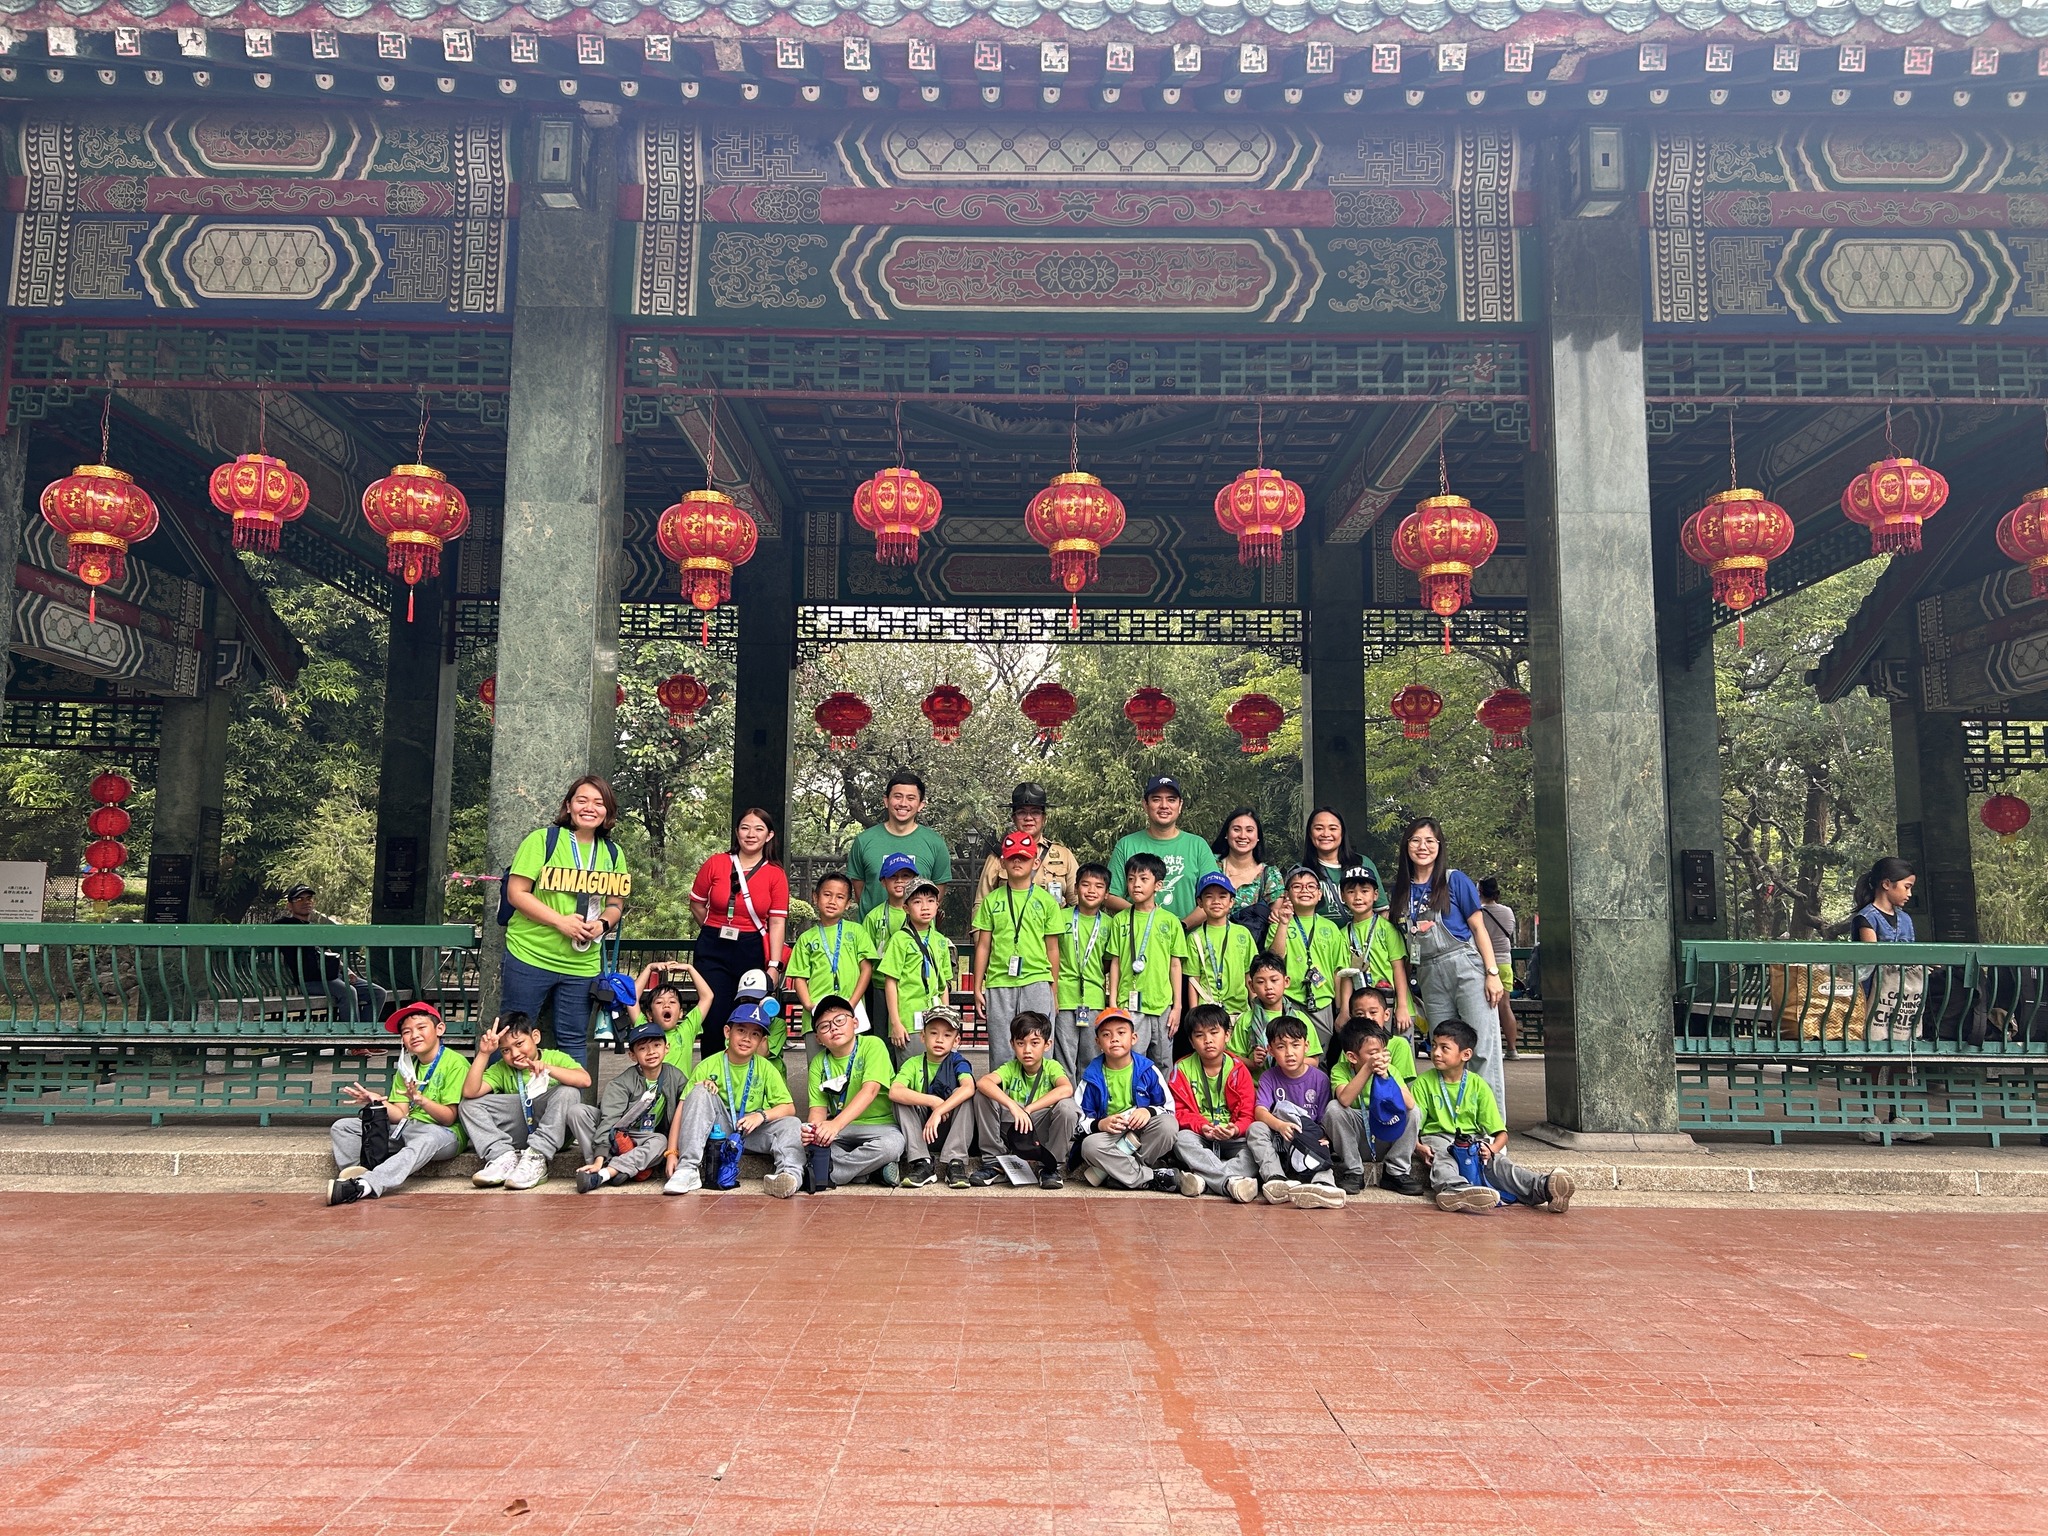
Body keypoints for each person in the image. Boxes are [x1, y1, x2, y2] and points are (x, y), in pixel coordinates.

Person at [501, 775, 630, 1064]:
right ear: (568, 805)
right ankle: (504, 1094)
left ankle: (571, 1095)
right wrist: (560, 922)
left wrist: (602, 925)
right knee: (512, 1036)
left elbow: (615, 905)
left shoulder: (613, 853)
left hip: (582, 964)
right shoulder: (542, 840)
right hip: (530, 955)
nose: (590, 808)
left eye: (599, 803)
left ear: (608, 811)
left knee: (573, 1040)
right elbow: (516, 893)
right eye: (582, 800)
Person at [1390, 818, 1508, 1110]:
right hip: (1429, 974)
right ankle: (1453, 1121)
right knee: (1443, 1051)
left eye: (1430, 841)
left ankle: (1492, 1128)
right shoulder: (1402, 890)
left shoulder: (1454, 879)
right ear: (1406, 845)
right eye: (1416, 840)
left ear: (1439, 845)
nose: (1423, 847)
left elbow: (1478, 928)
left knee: (1481, 1048)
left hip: (1465, 966)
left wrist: (1492, 973)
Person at [1415, 1019, 1573, 1215]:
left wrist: (1492, 1149)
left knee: (1501, 1165)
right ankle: (1456, 1191)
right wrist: (1418, 1147)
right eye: (1434, 1046)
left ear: (1466, 1054)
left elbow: (1501, 1134)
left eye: (1444, 1048)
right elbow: (1412, 1126)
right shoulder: (1423, 1082)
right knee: (1444, 1160)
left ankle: (1545, 1187)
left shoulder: (1478, 1085)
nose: (1436, 1052)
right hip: (1437, 1137)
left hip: (1472, 1141)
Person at [326, 1002, 468, 1207]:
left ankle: (367, 1184)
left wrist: (421, 1100)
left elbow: (448, 1118)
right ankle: (357, 1175)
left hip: (442, 1133)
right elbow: (401, 1114)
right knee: (342, 1127)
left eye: (421, 1027)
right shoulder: (406, 1067)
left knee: (426, 1139)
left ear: (439, 1029)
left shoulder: (456, 1063)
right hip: (407, 1127)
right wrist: (378, 1101)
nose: (414, 1035)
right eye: (406, 1032)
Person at [664, 999, 803, 1198]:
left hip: (750, 1130)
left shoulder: (766, 1067)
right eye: (741, 1031)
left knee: (792, 1123)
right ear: (727, 1032)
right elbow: (682, 1109)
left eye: (755, 1034)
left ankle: (789, 1176)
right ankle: (688, 1168)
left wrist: (761, 1116)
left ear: (762, 1041)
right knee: (700, 1090)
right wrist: (672, 1152)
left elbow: (789, 1107)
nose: (747, 1038)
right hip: (718, 1130)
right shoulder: (708, 1065)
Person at [686, 806, 788, 1061]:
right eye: (745, 828)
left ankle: (744, 1076)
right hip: (714, 947)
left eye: (759, 829)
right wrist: (713, 927)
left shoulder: (775, 874)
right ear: (736, 832)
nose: (751, 834)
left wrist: (774, 966)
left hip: (751, 948)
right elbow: (697, 903)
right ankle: (712, 1074)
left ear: (769, 835)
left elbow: (777, 922)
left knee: (748, 1019)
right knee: (713, 1017)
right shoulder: (716, 863)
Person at [458, 1012, 596, 1192]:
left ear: (535, 1037)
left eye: (519, 1044)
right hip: (519, 1132)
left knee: (569, 1091)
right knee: (468, 1104)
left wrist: (548, 1069)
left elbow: (585, 1080)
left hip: (555, 1134)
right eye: (505, 1050)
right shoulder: (501, 1068)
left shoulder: (555, 1057)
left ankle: (537, 1157)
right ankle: (502, 1158)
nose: (515, 1054)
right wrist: (484, 1053)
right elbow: (470, 1092)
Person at [1850, 856, 1932, 1144]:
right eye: (1906, 887)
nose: (1909, 893)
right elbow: (1873, 955)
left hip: (1903, 995)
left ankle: (1899, 1116)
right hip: (1874, 995)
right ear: (1886, 884)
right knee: (1874, 1055)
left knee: (1901, 1055)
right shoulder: (1866, 918)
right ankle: (1869, 1117)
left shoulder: (1906, 919)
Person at [971, 831, 1063, 1072]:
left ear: (1036, 862)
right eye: (1012, 858)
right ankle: (1002, 1095)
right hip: (1000, 981)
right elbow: (983, 945)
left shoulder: (1046, 901)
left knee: (1038, 1044)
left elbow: (1052, 948)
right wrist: (978, 986)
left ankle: (1039, 1094)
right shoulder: (992, 900)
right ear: (1002, 863)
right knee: (1002, 1047)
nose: (1017, 862)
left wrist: (1053, 990)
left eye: (1024, 858)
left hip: (1037, 980)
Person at [802, 994, 907, 1189]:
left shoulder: (873, 1045)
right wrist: (813, 1131)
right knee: (805, 1144)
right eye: (824, 1026)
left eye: (840, 1020)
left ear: (855, 1023)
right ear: (818, 1038)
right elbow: (817, 1109)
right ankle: (872, 1172)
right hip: (842, 1130)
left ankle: (832, 1173)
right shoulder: (818, 1063)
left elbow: (870, 1091)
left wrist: (835, 1125)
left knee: (893, 1145)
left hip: (880, 1126)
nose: (834, 1028)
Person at [1246, 1015, 1347, 1210]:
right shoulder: (1268, 1077)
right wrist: (1280, 1125)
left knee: (1320, 1140)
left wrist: (1325, 1136)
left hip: (1308, 1139)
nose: (1289, 1053)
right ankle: (1276, 1179)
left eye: (1295, 1045)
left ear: (1306, 1046)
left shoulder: (1320, 1079)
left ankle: (1324, 1184)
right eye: (1281, 1047)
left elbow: (1324, 1119)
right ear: (1270, 1050)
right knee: (1256, 1128)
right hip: (1280, 1137)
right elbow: (1260, 1111)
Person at [576, 1019, 689, 1192]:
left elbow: (689, 1098)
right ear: (632, 1055)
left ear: (667, 1048)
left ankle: (607, 1172)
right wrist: (599, 1156)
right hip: (618, 1132)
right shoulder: (621, 1083)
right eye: (642, 1048)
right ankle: (598, 1165)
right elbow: (609, 1120)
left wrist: (704, 1084)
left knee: (661, 1141)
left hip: (644, 1137)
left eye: (657, 1045)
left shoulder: (675, 1076)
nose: (651, 1052)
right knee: (577, 1111)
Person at [1074, 1009, 1179, 1192]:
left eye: (1121, 1033)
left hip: (1141, 1131)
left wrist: (1148, 1111)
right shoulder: (1092, 1076)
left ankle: (1120, 1174)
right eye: (1106, 1035)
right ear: (1098, 1042)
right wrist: (1100, 1124)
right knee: (1089, 1146)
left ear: (1134, 1038)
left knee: (1168, 1126)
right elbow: (1079, 1123)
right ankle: (1149, 1177)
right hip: (1110, 1135)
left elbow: (1168, 1109)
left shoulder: (1147, 1070)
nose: (1114, 1039)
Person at [973, 1010, 1078, 1190]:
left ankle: (1051, 1167)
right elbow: (983, 1082)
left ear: (1047, 1045)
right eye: (1021, 1043)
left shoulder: (1052, 1067)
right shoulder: (1011, 1067)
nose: (1027, 1050)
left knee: (1068, 1107)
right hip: (1013, 1127)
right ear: (1012, 1044)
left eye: (1034, 1043)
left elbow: (1066, 1088)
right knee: (982, 1094)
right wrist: (1013, 1106)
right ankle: (993, 1161)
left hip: (1039, 1128)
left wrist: (1028, 1109)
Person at [1167, 1003, 1259, 1203]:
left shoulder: (1238, 1069)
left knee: (1256, 1149)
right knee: (1181, 1140)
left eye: (1214, 1032)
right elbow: (1178, 1112)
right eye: (1199, 1035)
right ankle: (1229, 1183)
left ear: (1227, 1035)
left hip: (1232, 1135)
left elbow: (1248, 1114)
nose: (1207, 1040)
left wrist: (1235, 1129)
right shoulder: (1181, 1069)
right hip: (1200, 1134)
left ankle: (1205, 1180)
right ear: (1191, 1041)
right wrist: (1202, 1126)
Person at [1103, 852, 1186, 1070]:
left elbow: (1175, 965)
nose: (1136, 885)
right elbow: (1115, 963)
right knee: (1131, 1059)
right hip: (1128, 1005)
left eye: (1143, 879)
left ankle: (1161, 1094)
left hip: (1162, 1005)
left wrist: (1177, 1006)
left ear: (1158, 885)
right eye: (1131, 879)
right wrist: (1113, 1003)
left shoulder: (1170, 921)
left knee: (1163, 1062)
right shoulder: (1120, 920)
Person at [1325, 1013, 1423, 1196]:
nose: (1379, 1057)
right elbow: (1344, 1099)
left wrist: (1387, 1076)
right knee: (1334, 1109)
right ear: (1352, 1057)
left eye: (1382, 1051)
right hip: (1357, 1139)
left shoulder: (1391, 1070)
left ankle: (1396, 1171)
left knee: (1414, 1112)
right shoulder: (1340, 1069)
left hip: (1385, 1134)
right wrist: (1367, 1069)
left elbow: (1410, 1104)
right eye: (1372, 1053)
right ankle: (1354, 1171)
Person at [888, 1004, 980, 1188]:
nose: (939, 1040)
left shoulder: (958, 1062)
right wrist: (932, 1101)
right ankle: (922, 1162)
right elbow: (894, 1091)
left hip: (951, 1130)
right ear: (923, 1036)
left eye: (947, 1035)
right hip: (921, 1133)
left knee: (964, 1095)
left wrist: (939, 1111)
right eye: (933, 1033)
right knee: (900, 1099)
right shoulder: (913, 1063)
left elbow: (969, 1087)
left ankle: (955, 1162)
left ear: (956, 1040)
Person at [1107, 775, 1219, 922]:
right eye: (1156, 799)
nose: (1164, 805)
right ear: (1145, 804)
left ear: (1180, 805)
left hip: (1188, 934)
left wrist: (1181, 926)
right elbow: (1110, 895)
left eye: (1171, 800)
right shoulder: (1126, 845)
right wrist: (1145, 918)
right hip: (1138, 933)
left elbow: (1214, 897)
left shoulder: (1198, 845)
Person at [277, 883, 390, 1023]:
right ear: (289, 905)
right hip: (310, 981)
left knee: (378, 993)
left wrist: (347, 970)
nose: (306, 902)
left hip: (333, 977)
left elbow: (327, 952)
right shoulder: (284, 925)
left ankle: (365, 1033)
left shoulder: (315, 929)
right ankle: (352, 1035)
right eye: (299, 899)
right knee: (348, 992)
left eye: (309, 898)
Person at [846, 770, 953, 916]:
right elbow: (860, 892)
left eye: (911, 798)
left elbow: (937, 893)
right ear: (886, 801)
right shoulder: (863, 841)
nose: (903, 803)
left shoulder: (935, 843)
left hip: (917, 929)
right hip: (873, 929)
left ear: (921, 804)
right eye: (897, 796)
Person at [785, 871, 877, 1035]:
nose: (832, 901)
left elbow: (866, 969)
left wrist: (852, 1003)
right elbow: (799, 977)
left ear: (848, 903)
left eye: (840, 897)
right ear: (815, 897)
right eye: (827, 895)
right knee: (817, 1051)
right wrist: (809, 1006)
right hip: (816, 1011)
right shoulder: (806, 938)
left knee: (852, 1051)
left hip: (852, 1011)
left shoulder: (857, 931)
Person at [877, 877, 957, 1063]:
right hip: (908, 1022)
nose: (925, 907)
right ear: (906, 908)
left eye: (930, 901)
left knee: (936, 1069)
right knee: (911, 1071)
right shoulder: (899, 940)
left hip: (936, 1020)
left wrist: (947, 1017)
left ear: (937, 905)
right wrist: (895, 1023)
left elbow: (943, 985)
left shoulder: (940, 940)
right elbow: (891, 982)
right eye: (917, 902)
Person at [1266, 865, 1348, 1035]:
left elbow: (1338, 971)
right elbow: (1275, 960)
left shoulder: (1331, 928)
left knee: (1320, 1049)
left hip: (1323, 1001)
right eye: (1297, 886)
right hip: (1288, 999)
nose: (1304, 890)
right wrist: (1283, 923)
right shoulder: (1278, 925)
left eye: (1311, 886)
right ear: (1287, 894)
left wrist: (1340, 1009)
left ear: (1319, 894)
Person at [972, 782, 1081, 907]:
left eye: (1035, 812)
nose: (1028, 818)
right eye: (1022, 812)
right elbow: (981, 904)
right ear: (1013, 818)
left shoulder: (1063, 855)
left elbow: (1078, 904)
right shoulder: (998, 856)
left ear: (1044, 818)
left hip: (1054, 919)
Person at [1334, 867, 1412, 1029]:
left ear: (1375, 895)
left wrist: (1402, 1006)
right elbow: (1347, 975)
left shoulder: (1387, 928)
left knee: (1398, 1044)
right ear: (1342, 896)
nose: (1358, 897)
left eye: (1364, 891)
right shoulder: (1343, 934)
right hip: (1363, 1011)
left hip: (1393, 1006)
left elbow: (1398, 968)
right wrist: (1344, 1011)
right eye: (1351, 892)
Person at [1054, 863, 1114, 1073]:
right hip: (1064, 998)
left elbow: (1108, 962)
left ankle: (1088, 1095)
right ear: (1076, 888)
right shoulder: (1060, 917)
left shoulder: (1110, 924)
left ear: (1106, 894)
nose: (1091, 890)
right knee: (1064, 1059)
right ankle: (1066, 1095)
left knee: (1092, 1058)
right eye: (1086, 884)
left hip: (1094, 999)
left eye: (1099, 886)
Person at [1185, 872, 1258, 1028]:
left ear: (1231, 902)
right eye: (1209, 896)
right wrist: (1194, 1017)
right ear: (1200, 902)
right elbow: (1193, 980)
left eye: (1222, 896)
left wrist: (1257, 1012)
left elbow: (1250, 976)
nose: (1216, 901)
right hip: (1207, 1015)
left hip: (1240, 1013)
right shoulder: (1195, 938)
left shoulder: (1243, 934)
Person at [1209, 807, 1287, 939]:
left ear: (1258, 837)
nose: (1242, 836)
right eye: (1236, 829)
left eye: (1249, 830)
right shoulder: (1210, 865)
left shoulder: (1269, 875)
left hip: (1251, 948)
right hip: (1209, 943)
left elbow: (1275, 922)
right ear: (1226, 834)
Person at [1300, 807, 1382, 922]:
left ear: (1342, 833)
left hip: (1360, 933)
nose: (1326, 834)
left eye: (1333, 828)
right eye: (1318, 828)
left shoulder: (1363, 863)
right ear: (1310, 833)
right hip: (1316, 933)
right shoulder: (1301, 870)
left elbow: (1382, 910)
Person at [1229, 953, 1304, 1073]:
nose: (1268, 986)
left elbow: (1314, 1059)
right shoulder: (1245, 1020)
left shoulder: (1299, 1019)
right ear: (1251, 986)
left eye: (1274, 980)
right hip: (1257, 1083)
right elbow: (1233, 1058)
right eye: (1260, 982)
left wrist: (1289, 1062)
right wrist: (1252, 1063)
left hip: (1292, 1083)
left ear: (1286, 981)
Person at [1477, 876, 1521, 1061]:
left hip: (1485, 964)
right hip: (1505, 963)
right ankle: (1512, 1049)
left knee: (1484, 1007)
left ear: (1479, 891)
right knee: (1505, 1006)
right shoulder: (1508, 912)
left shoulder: (1478, 913)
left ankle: (1489, 1049)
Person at [863, 853, 920, 954]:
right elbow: (864, 953)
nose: (899, 880)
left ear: (914, 880)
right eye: (893, 876)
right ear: (883, 882)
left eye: (905, 876)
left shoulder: (922, 913)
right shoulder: (873, 917)